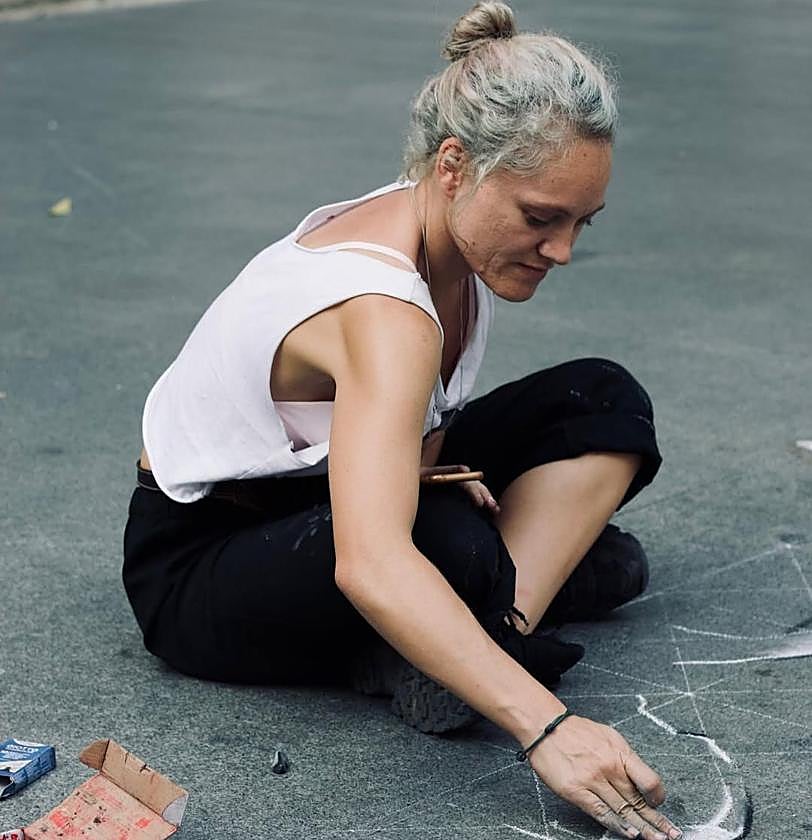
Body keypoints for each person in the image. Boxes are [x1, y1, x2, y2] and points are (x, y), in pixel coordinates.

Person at [123, 3, 681, 838]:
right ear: (455, 165)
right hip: (199, 567)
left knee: (601, 397)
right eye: (540, 217)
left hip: (306, 490)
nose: (562, 250)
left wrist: (417, 474)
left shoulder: (445, 234)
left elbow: (407, 426)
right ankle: (481, 635)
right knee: (459, 547)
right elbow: (371, 563)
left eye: (580, 222)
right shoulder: (386, 308)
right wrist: (548, 727)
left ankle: (469, 637)